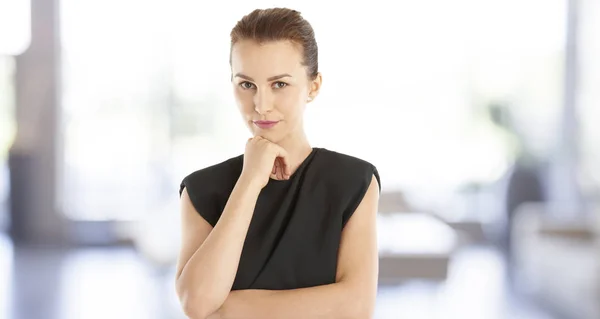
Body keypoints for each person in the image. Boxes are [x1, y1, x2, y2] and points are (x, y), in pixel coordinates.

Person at [175, 8, 381, 319]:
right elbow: (197, 303)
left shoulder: (353, 182)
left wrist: (227, 310)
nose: (261, 105)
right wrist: (249, 181)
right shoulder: (202, 190)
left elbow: (355, 307)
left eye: (279, 84)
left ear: (313, 86)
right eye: (246, 85)